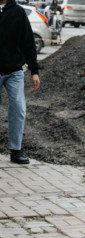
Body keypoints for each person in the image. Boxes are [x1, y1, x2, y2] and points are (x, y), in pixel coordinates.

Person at [0, 0, 41, 165]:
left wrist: (35, 71)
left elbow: (28, 42)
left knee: (19, 109)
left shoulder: (18, 12)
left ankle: (16, 151)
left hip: (14, 71)